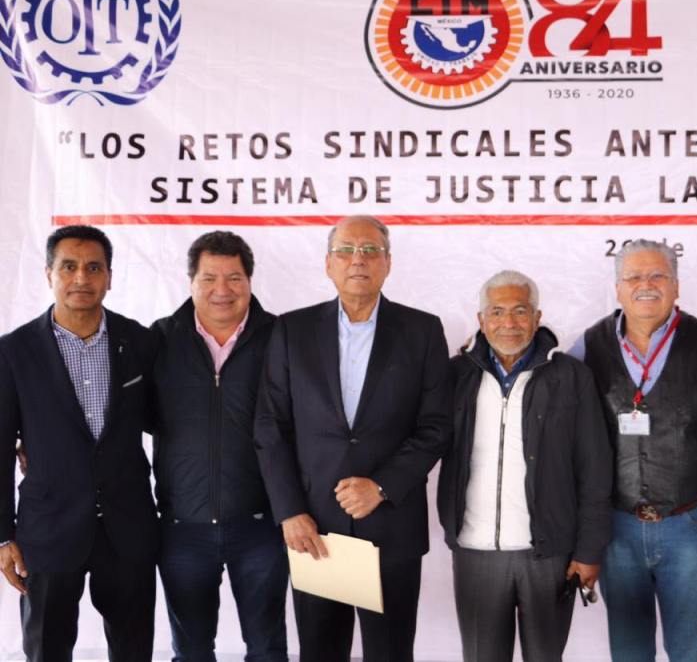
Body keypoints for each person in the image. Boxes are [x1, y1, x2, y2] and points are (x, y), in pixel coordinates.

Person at [254, 215, 452, 662]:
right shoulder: (292, 330)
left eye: (370, 250)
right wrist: (290, 511)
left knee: (390, 653)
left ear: (388, 263)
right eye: (345, 251)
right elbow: (270, 426)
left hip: (391, 525)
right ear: (328, 264)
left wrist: (381, 486)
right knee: (321, 653)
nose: (357, 260)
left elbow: (436, 426)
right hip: (315, 528)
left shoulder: (422, 331)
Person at [0, 225, 159, 661]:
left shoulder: (141, 342)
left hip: (128, 527)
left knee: (133, 649)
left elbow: (165, 421)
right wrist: (2, 535)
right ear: (48, 274)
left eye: (94, 268)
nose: (81, 278)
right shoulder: (13, 352)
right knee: (46, 649)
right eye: (68, 267)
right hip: (48, 529)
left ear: (110, 277)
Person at [569, 239, 697, 662]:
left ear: (676, 286)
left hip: (689, 524)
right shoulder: (587, 345)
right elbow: (562, 419)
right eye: (634, 277)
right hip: (617, 527)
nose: (646, 285)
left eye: (658, 275)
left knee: (694, 650)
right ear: (618, 289)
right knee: (629, 650)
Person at [439, 270, 612, 662]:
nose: (509, 323)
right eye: (497, 312)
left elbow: (595, 470)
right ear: (481, 320)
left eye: (520, 311)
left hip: (548, 553)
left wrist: (589, 549)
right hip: (474, 550)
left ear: (537, 318)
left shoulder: (570, 376)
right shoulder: (456, 375)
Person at [150, 231, 287, 661]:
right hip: (182, 526)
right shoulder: (159, 339)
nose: (222, 290)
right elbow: (123, 414)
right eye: (209, 278)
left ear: (249, 281)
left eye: (234, 278)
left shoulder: (281, 338)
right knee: (190, 651)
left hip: (262, 525)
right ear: (191, 281)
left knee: (267, 649)